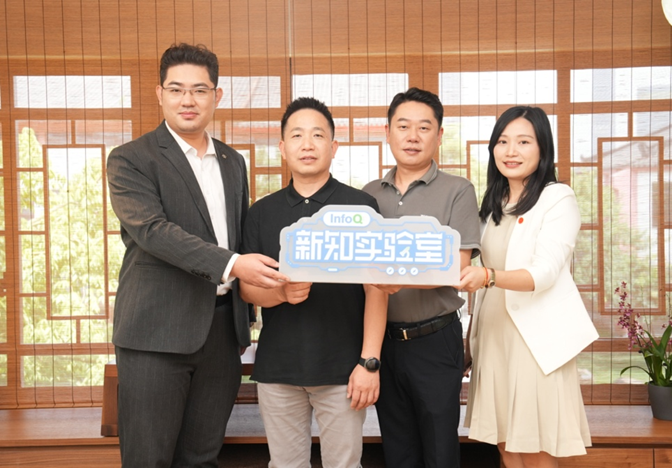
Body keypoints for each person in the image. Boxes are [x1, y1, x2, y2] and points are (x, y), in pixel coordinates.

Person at [107, 43, 288, 467]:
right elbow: (153, 231)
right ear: (160, 94)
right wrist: (233, 265)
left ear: (216, 96)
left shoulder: (232, 161)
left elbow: (239, 236)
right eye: (176, 89)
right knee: (149, 459)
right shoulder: (131, 159)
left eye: (199, 90)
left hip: (221, 334)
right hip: (155, 335)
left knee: (202, 457)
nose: (187, 100)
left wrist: (252, 303)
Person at [239, 97, 388, 468]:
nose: (307, 144)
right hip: (279, 369)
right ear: (282, 148)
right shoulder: (261, 212)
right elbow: (247, 289)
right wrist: (281, 292)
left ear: (334, 147)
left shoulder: (361, 207)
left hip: (344, 370)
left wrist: (369, 363)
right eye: (297, 135)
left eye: (318, 135)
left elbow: (377, 290)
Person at [459, 106, 599, 467]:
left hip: (534, 342)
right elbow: (482, 286)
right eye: (503, 142)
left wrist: (487, 276)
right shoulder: (492, 204)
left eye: (523, 142)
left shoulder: (557, 198)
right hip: (493, 337)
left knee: (535, 449)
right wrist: (470, 342)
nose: (511, 151)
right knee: (505, 444)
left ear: (542, 148)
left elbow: (544, 273)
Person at [362, 87, 481, 468]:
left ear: (439, 135)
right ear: (387, 132)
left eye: (424, 127)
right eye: (403, 126)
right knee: (398, 451)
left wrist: (397, 277)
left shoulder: (458, 191)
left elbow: (457, 268)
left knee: (440, 451)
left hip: (435, 340)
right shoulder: (367, 195)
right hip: (384, 343)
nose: (412, 136)